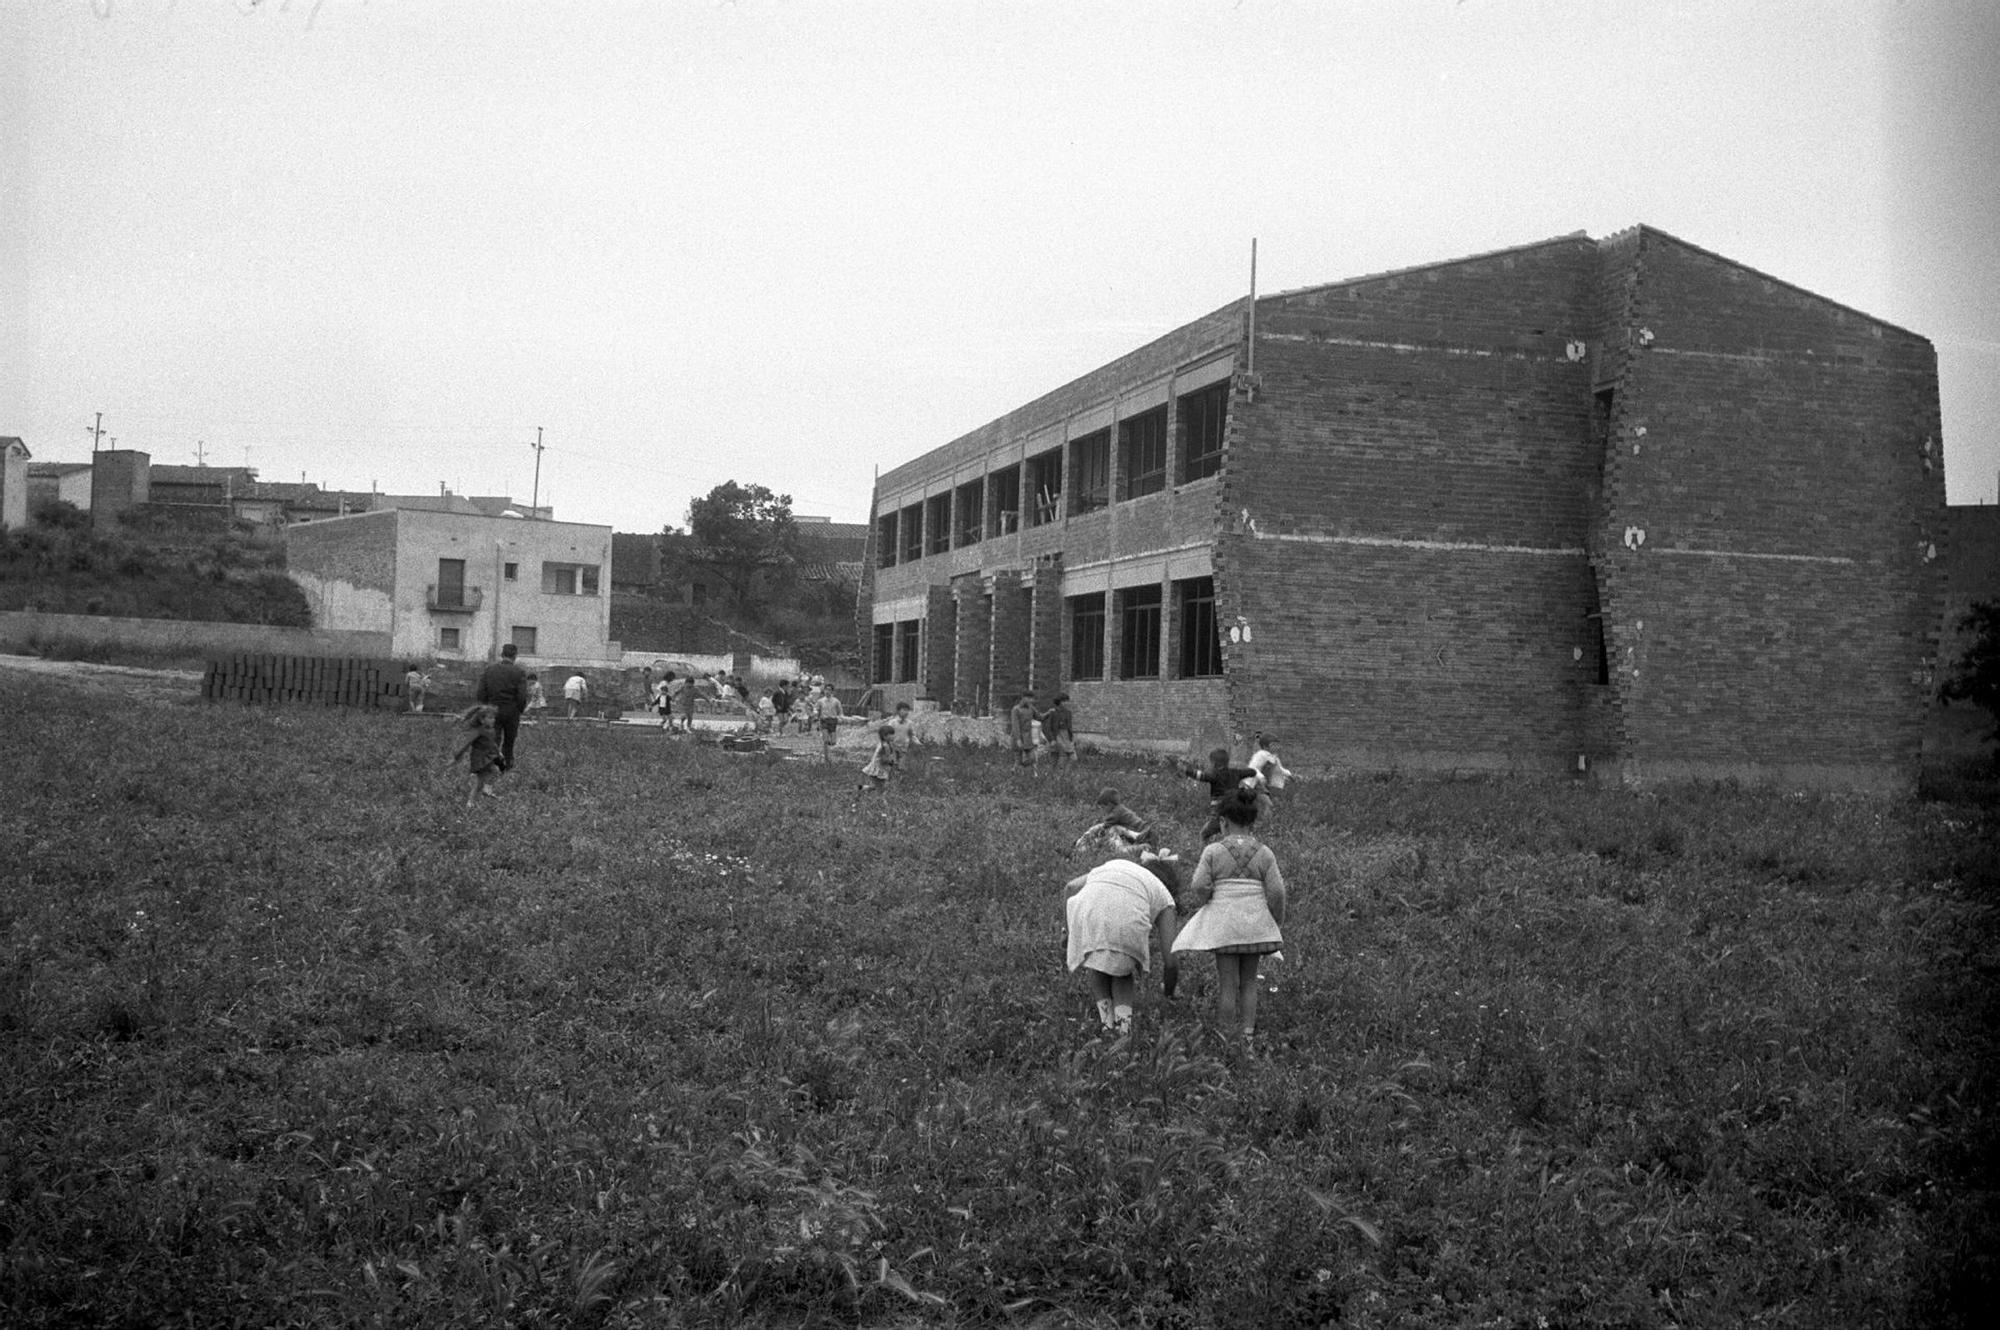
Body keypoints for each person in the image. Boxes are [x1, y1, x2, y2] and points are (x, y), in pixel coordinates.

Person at [1171, 788, 1287, 1043]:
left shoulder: (1213, 851)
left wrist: (1208, 900)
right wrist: (1275, 921)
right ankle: (1247, 1037)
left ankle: (1226, 1036)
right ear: (1252, 822)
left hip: (1224, 924)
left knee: (1227, 983)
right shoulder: (1265, 853)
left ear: (1223, 822)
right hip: (1254, 925)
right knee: (1248, 982)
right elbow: (1277, 892)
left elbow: (1198, 884)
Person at [1064, 849, 1181, 1036]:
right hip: (1126, 922)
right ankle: (1123, 1032)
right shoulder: (1163, 894)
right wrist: (1169, 991)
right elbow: (1171, 960)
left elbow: (1070, 887)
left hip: (1087, 913)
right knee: (1122, 973)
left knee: (1097, 964)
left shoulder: (1116, 865)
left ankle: (1107, 1024)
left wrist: (1069, 933)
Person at [1180, 746, 1260, 842]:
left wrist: (1187, 770)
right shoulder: (1236, 772)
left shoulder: (1215, 774)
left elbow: (1201, 776)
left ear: (1214, 763)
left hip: (1220, 811)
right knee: (1234, 832)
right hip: (1236, 809)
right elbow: (1252, 772)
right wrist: (1253, 771)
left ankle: (1206, 853)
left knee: (1204, 834)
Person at [476, 642, 530, 772]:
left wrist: (485, 707)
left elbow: (481, 692)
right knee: (509, 740)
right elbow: (522, 695)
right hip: (511, 711)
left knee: (494, 739)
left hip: (493, 710)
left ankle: (491, 764)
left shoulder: (489, 670)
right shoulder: (519, 672)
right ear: (515, 656)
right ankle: (507, 766)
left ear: (502, 655)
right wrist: (520, 709)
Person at [448, 704, 504, 806]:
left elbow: (492, 743)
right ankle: (477, 797)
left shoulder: (491, 730)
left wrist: (498, 752)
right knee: (489, 775)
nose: (493, 720)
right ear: (482, 720)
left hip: (488, 757)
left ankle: (472, 801)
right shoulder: (478, 731)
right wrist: (456, 758)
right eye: (490, 718)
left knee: (482, 780)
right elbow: (466, 745)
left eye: (494, 718)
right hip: (480, 758)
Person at [1073, 787, 1154, 855]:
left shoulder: (1116, 812)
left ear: (1109, 804)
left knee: (1111, 830)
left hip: (1139, 831)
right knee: (1114, 830)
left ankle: (1139, 848)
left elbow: (1106, 825)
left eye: (1103, 807)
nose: (1103, 811)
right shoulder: (1121, 809)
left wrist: (1097, 833)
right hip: (1142, 829)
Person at [1247, 730, 1295, 824]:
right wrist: (1260, 777)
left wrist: (1289, 775)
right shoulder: (1260, 755)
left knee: (1258, 805)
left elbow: (1279, 768)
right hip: (1256, 785)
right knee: (1267, 804)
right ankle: (1265, 824)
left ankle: (1257, 822)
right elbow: (1252, 768)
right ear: (1265, 746)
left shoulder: (1274, 757)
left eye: (1277, 745)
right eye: (1274, 745)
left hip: (1264, 785)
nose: (1277, 747)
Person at [856, 722, 899, 798]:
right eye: (891, 734)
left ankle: (860, 789)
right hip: (879, 769)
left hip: (878, 767)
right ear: (885, 736)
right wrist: (892, 763)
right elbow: (883, 760)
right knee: (882, 787)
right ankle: (881, 801)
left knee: (877, 786)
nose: (893, 736)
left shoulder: (883, 743)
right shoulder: (885, 746)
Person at [1041, 692, 1076, 769]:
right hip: (1057, 736)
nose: (1066, 703)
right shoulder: (1053, 712)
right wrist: (1052, 739)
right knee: (1057, 757)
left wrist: (1072, 738)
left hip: (1066, 736)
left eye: (1067, 701)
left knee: (1073, 757)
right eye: (1064, 701)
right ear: (1059, 702)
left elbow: (1069, 727)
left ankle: (1064, 775)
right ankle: (1056, 776)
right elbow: (1047, 727)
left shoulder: (1068, 712)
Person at [1008, 693, 1039, 769]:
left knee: (1032, 758)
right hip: (1018, 737)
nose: (1031, 700)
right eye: (1029, 698)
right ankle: (1016, 772)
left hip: (1028, 738)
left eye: (1032, 699)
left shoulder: (1031, 708)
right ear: (1023, 698)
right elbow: (1015, 726)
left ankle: (1017, 769)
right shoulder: (1016, 709)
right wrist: (1018, 739)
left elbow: (1039, 717)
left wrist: (1049, 713)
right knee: (1018, 759)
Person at [815, 684, 844, 762]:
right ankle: (826, 758)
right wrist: (817, 721)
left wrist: (840, 718)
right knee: (825, 740)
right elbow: (817, 711)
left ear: (832, 691)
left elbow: (840, 711)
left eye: (829, 690)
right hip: (824, 720)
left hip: (833, 721)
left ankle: (828, 752)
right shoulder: (820, 701)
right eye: (826, 689)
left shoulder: (836, 701)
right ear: (824, 690)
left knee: (833, 742)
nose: (827, 691)